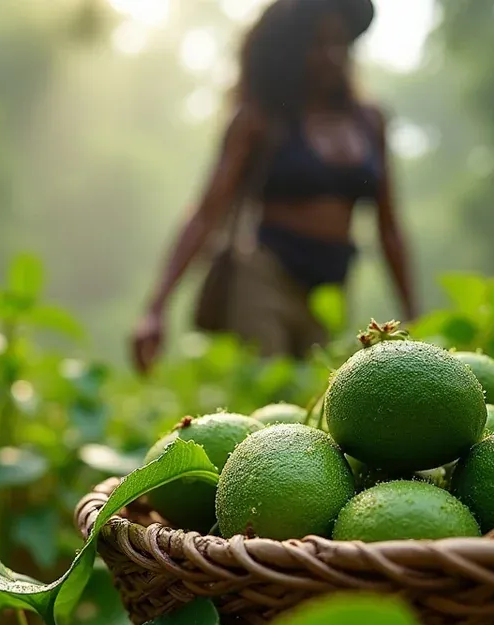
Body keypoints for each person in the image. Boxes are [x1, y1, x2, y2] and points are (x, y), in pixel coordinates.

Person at [131, 0, 417, 373]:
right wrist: (156, 308)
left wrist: (414, 313)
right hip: (265, 280)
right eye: (316, 44)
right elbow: (206, 213)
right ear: (293, 52)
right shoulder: (259, 120)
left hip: (331, 289)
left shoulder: (369, 122)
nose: (330, 56)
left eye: (339, 43)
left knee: (320, 399)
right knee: (269, 399)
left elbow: (389, 227)